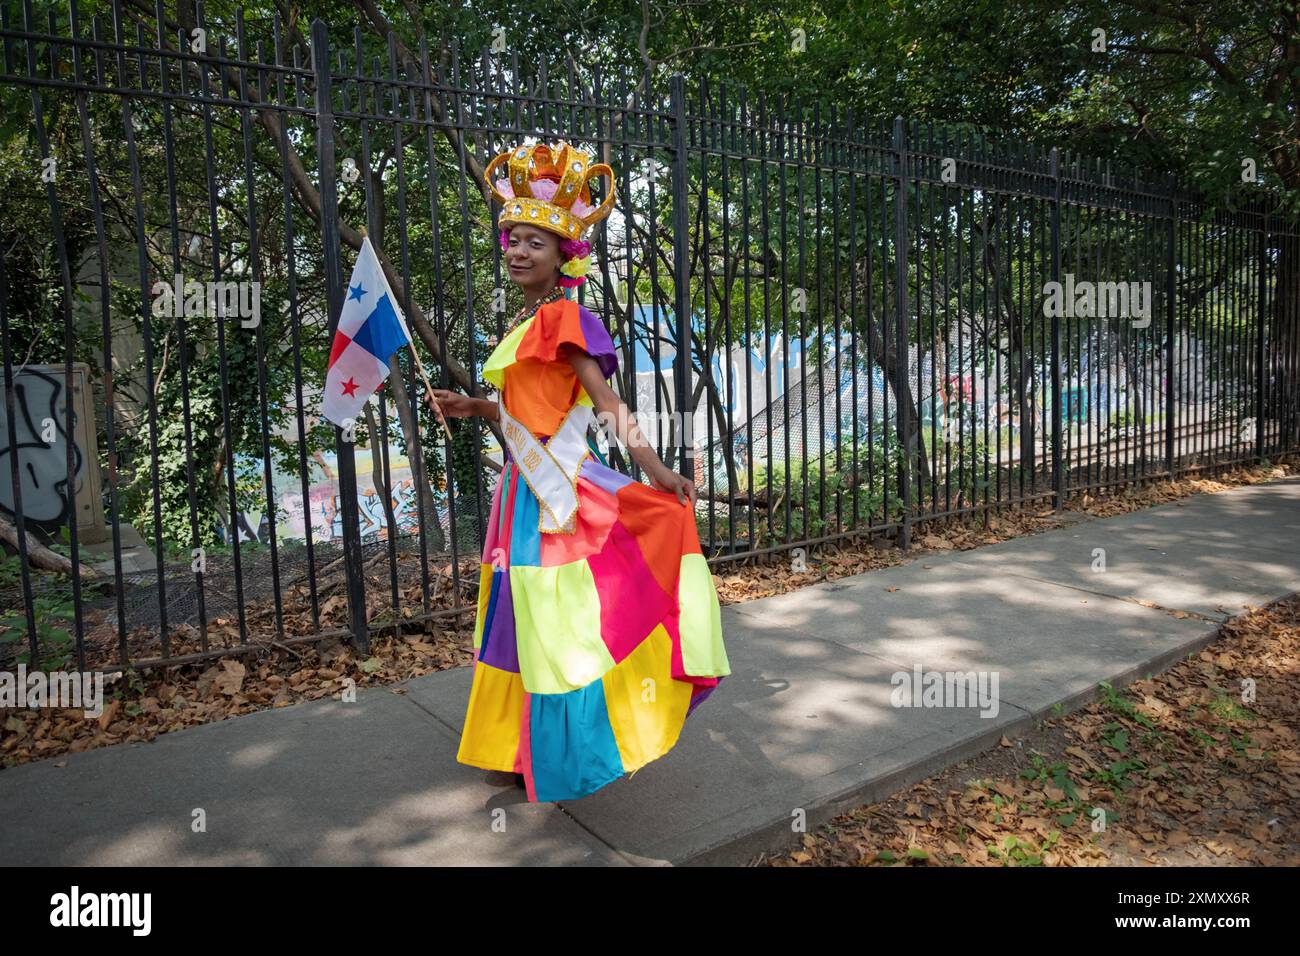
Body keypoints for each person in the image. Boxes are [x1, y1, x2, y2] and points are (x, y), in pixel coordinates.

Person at [429, 140, 730, 803]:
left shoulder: (566, 318)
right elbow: (529, 410)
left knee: (554, 623)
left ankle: (564, 749)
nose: (517, 251)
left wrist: (654, 468)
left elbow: (607, 405)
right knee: (512, 617)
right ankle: (516, 744)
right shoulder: (527, 317)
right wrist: (478, 405)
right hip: (521, 492)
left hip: (556, 495)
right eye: (512, 238)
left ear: (562, 253)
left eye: (533, 242)